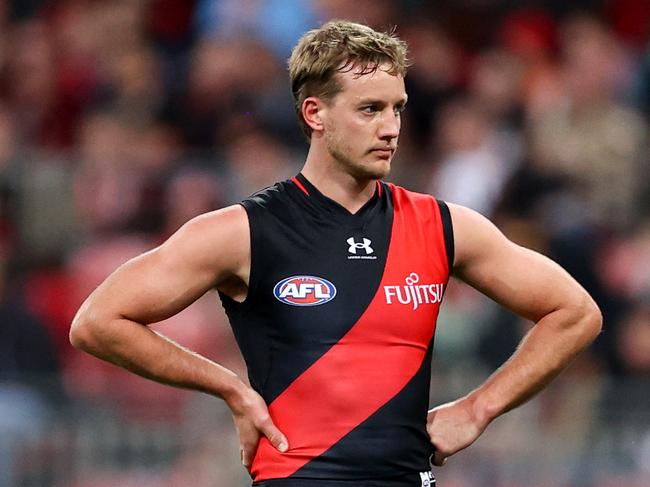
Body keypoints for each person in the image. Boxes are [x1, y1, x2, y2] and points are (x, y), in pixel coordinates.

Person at [69, 20, 602, 487]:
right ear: (314, 113)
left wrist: (479, 407)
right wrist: (228, 386)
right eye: (369, 109)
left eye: (397, 108)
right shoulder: (244, 231)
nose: (390, 127)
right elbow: (97, 321)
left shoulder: (444, 226)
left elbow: (575, 313)